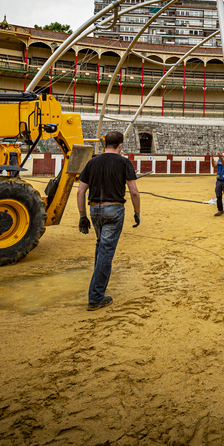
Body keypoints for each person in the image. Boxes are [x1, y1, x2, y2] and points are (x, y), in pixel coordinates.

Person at [77, 130, 141, 311]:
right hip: (114, 209)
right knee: (106, 251)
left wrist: (82, 215)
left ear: (105, 143)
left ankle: (98, 289)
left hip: (94, 210)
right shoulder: (124, 162)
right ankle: (96, 296)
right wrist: (137, 212)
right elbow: (134, 191)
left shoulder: (92, 162)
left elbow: (80, 191)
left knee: (100, 246)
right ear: (120, 145)